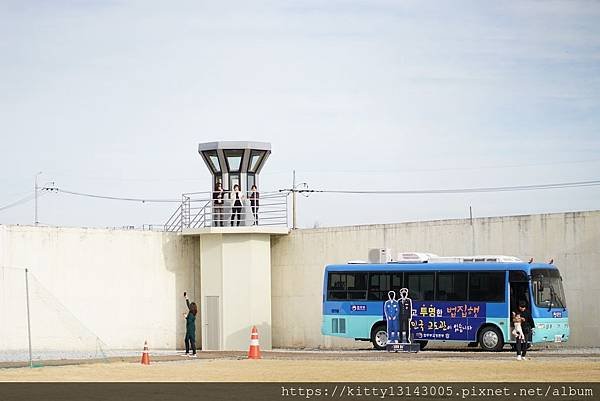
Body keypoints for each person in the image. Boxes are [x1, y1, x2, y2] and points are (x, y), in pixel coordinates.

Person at [183, 291, 198, 357]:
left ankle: (194, 353)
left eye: (190, 306)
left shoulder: (191, 314)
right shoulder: (192, 312)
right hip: (190, 329)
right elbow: (188, 304)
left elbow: (189, 321)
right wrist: (186, 297)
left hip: (190, 329)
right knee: (186, 340)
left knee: (192, 341)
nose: (189, 307)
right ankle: (187, 352)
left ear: (192, 308)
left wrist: (186, 316)